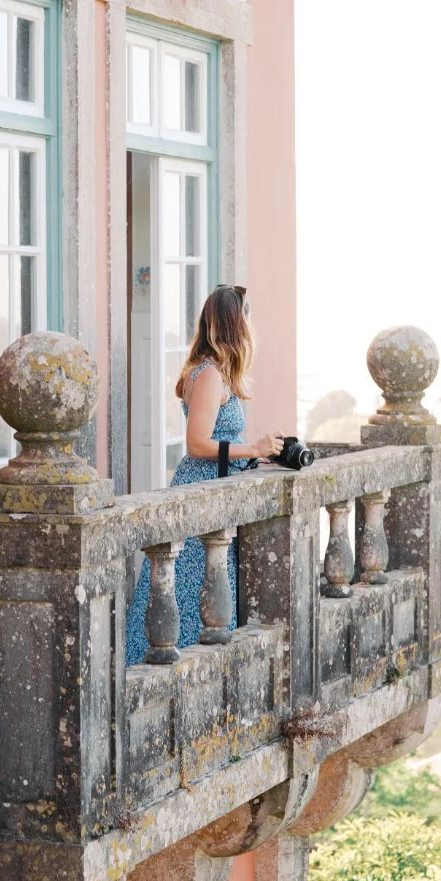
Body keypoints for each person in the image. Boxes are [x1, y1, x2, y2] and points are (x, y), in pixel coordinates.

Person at [125, 285, 285, 664]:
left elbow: (221, 440)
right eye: (245, 317)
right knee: (186, 587)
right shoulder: (210, 375)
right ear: (234, 324)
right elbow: (198, 443)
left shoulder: (219, 374)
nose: (250, 326)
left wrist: (255, 458)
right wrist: (253, 449)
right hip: (200, 488)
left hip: (218, 486)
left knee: (205, 589)